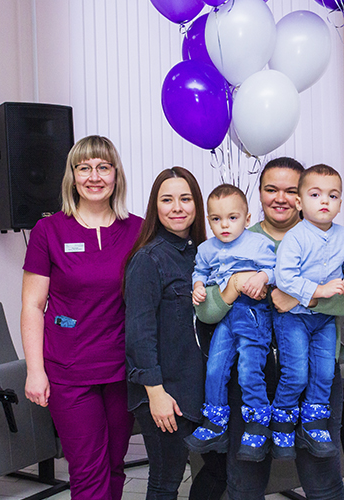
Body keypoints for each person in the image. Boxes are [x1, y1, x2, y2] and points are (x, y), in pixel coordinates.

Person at [195, 157, 344, 500]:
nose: (281, 198)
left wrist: (300, 298)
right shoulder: (235, 235)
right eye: (271, 189)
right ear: (259, 194)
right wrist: (236, 285)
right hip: (251, 375)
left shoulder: (329, 236)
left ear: (301, 196)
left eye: (290, 190)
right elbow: (208, 312)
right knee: (245, 483)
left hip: (314, 374)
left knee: (323, 480)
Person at [21, 135, 142, 500]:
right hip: (69, 371)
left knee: (114, 464)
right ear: (72, 177)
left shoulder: (138, 230)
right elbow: (32, 305)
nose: (94, 176)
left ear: (116, 175)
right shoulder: (48, 231)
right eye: (84, 168)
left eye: (103, 167)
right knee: (88, 470)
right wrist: (35, 370)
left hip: (122, 368)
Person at [124, 167, 215, 500]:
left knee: (220, 469)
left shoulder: (204, 254)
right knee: (166, 482)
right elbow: (139, 333)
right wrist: (156, 393)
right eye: (167, 200)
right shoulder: (147, 259)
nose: (177, 207)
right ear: (155, 206)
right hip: (165, 393)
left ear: (197, 205)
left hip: (200, 387)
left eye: (185, 199)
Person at [272, 164, 344, 459]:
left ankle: (313, 424)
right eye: (315, 194)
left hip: (324, 321)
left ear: (340, 203)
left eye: (332, 195)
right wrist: (319, 291)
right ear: (299, 203)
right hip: (293, 320)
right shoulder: (295, 237)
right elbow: (284, 278)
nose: (324, 200)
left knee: (325, 372)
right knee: (297, 374)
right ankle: (282, 422)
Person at [185, 184, 277, 460]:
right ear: (208, 220)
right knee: (215, 367)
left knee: (250, 369)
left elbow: (275, 270)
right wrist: (198, 286)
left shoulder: (258, 243)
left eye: (232, 218)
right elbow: (200, 272)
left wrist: (262, 277)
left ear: (247, 219)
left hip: (253, 313)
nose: (224, 225)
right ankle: (215, 422)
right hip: (225, 315)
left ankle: (258, 425)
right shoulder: (206, 248)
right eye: (216, 219)